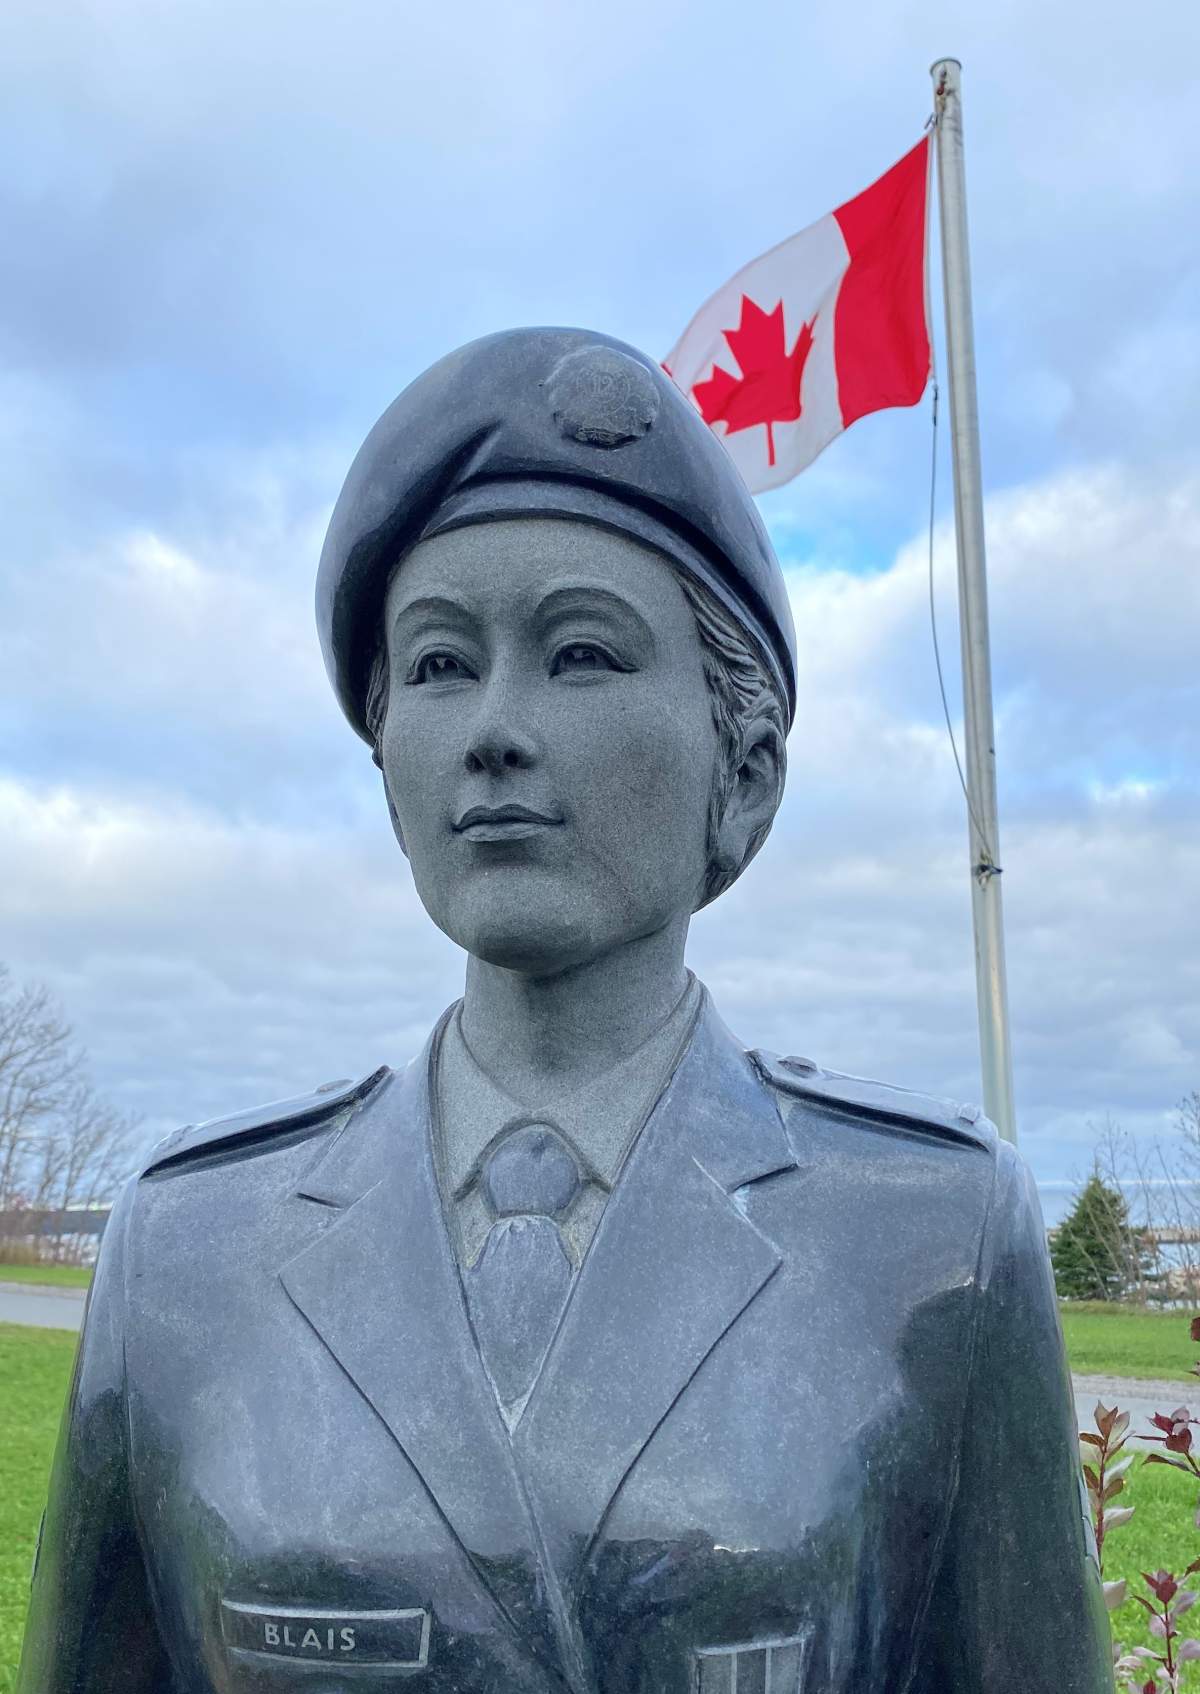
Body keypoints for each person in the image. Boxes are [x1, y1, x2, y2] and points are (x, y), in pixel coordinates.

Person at [18, 329, 1113, 1694]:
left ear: (748, 772)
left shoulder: (935, 1239)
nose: (492, 727)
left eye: (582, 654)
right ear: (386, 771)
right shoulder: (184, 1254)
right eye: (434, 665)